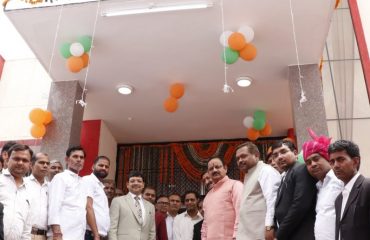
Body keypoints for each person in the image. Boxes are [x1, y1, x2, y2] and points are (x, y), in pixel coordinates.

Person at [271, 140, 317, 240]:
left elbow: (299, 206)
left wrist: (279, 235)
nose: (279, 157)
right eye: (275, 155)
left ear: (295, 153)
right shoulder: (285, 175)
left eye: (283, 152)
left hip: (302, 234)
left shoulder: (301, 170)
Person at [302, 130, 343, 240]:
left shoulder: (340, 180)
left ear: (328, 159)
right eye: (308, 163)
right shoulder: (319, 186)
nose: (313, 164)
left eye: (316, 159)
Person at [235, 142, 281, 240]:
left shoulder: (265, 170)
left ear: (256, 155)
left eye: (243, 156)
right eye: (237, 158)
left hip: (262, 234)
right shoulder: (249, 174)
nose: (240, 160)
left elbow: (272, 200)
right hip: (249, 233)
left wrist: (269, 226)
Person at [329, 140, 370, 240]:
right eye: (332, 161)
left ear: (356, 161)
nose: (335, 165)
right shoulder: (339, 199)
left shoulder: (367, 187)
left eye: (340, 159)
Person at [48, 146, 87, 240]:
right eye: (75, 156)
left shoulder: (83, 181)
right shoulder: (60, 177)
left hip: (78, 234)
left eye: (81, 157)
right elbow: (54, 205)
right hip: (62, 234)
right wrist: (57, 233)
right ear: (67, 159)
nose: (79, 160)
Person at [201, 157, 243, 240]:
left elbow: (241, 214)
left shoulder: (235, 185)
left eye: (217, 167)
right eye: (211, 169)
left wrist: (237, 237)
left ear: (225, 168)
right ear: (208, 173)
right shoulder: (207, 197)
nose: (214, 170)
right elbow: (205, 225)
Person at [109, 170, 155, 240]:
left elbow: (152, 231)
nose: (136, 183)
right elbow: (112, 228)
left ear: (143, 185)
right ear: (127, 184)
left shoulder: (150, 206)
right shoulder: (117, 201)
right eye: (132, 181)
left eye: (139, 181)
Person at [0, 143, 33, 239]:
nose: (20, 162)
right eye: (16, 159)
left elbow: (27, 228)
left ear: (30, 165)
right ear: (7, 160)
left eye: (25, 160)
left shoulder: (30, 190)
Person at [82, 156, 111, 240]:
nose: (104, 168)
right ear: (93, 166)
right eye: (101, 165)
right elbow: (88, 207)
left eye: (106, 167)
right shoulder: (88, 180)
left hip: (98, 235)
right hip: (91, 235)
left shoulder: (100, 186)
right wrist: (96, 234)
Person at [25, 152, 50, 240]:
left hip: (44, 236)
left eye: (47, 163)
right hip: (25, 234)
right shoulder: (23, 183)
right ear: (31, 165)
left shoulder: (51, 187)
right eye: (41, 162)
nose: (45, 165)